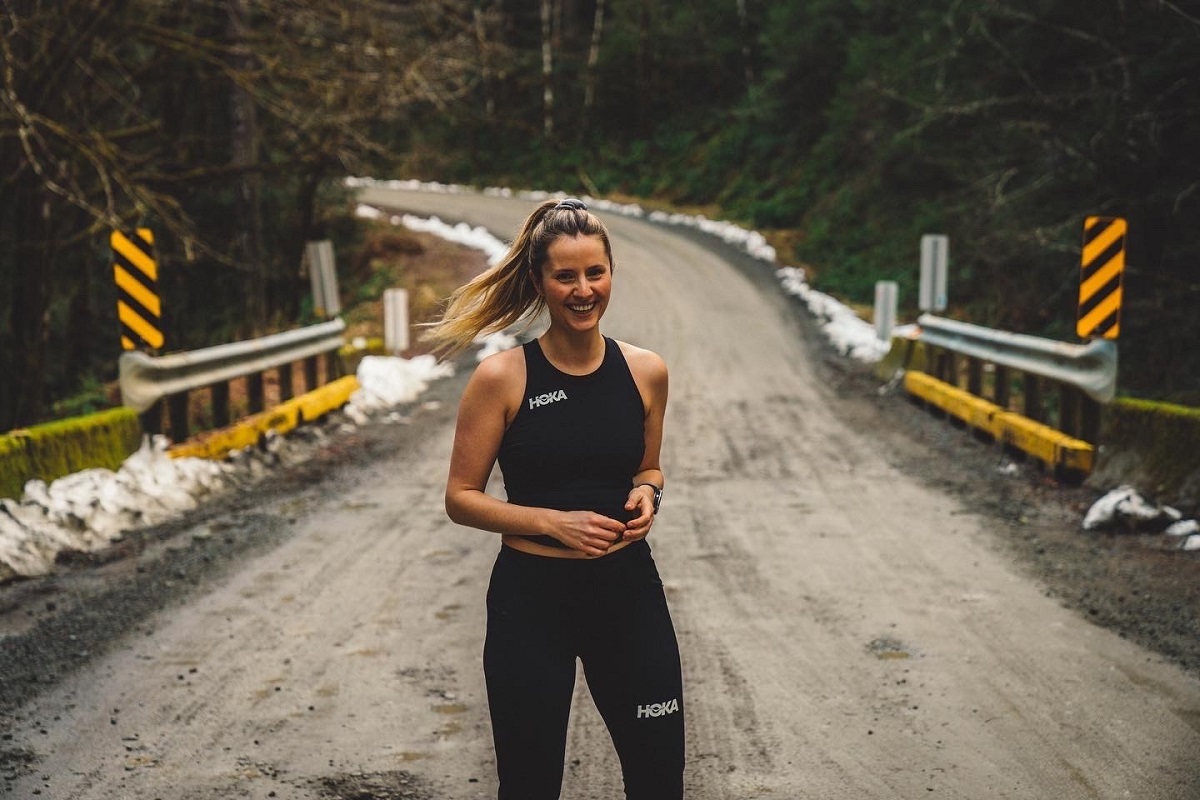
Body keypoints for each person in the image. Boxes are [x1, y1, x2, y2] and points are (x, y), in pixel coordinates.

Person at [425, 197, 685, 799]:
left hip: (627, 597)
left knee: (658, 782)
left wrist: (648, 494)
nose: (583, 289)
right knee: (529, 786)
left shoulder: (646, 372)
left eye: (595, 272)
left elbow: (649, 467)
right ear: (540, 283)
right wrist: (551, 523)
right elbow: (460, 498)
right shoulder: (503, 378)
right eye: (565, 276)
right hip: (531, 604)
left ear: (611, 273)